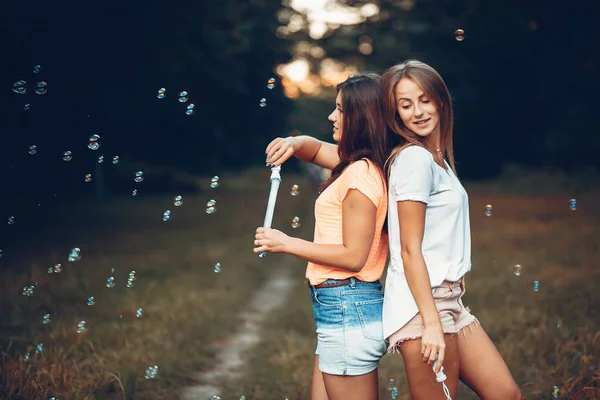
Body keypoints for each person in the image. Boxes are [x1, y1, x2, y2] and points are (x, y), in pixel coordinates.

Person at [381, 60, 522, 399]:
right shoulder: (414, 160)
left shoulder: (435, 159)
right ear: (395, 114)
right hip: (424, 308)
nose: (418, 111)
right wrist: (431, 322)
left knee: (505, 393)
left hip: (451, 302)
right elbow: (409, 249)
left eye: (425, 99)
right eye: (405, 104)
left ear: (441, 100)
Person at [254, 73, 399, 400]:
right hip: (340, 307)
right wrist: (292, 144)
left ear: (361, 118)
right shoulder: (358, 163)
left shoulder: (361, 174)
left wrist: (286, 243)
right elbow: (315, 148)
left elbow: (353, 256)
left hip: (348, 305)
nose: (332, 116)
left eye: (340, 110)